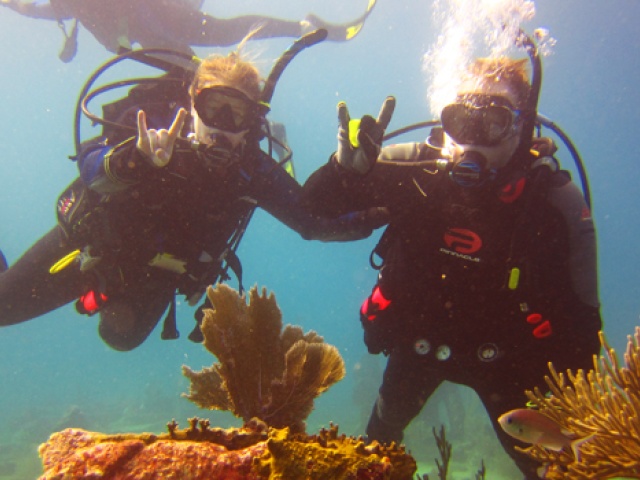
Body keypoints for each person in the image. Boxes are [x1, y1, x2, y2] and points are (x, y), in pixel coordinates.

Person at [300, 55, 601, 478]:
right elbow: (312, 217)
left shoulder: (554, 200)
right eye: (463, 121)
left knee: (556, 470)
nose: (473, 140)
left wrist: (577, 413)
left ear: (522, 126)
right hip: (418, 343)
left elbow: (586, 324)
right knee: (373, 453)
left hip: (510, 364)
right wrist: (341, 175)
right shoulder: (418, 167)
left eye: (493, 122)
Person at [0, 44, 387, 352]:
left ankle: (103, 298)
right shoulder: (150, 128)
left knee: (122, 338)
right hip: (93, 246)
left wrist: (354, 186)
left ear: (252, 122)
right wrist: (133, 160)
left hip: (158, 273)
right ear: (192, 101)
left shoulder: (250, 168)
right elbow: (90, 165)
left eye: (237, 116)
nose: (222, 127)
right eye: (213, 108)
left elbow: (312, 221)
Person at [1, 0, 376, 62]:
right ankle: (304, 27)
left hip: (159, 24)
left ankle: (305, 27)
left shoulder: (67, 7)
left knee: (222, 35)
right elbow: (29, 10)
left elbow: (29, 10)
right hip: (154, 35)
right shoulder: (67, 6)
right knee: (218, 38)